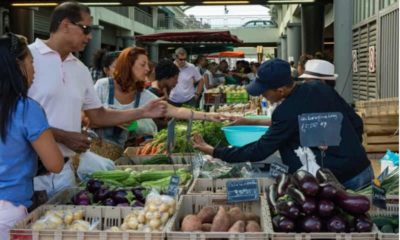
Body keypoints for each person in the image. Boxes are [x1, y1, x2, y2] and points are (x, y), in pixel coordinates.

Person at [28, 1, 167, 198]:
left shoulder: (80, 69)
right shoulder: (27, 59)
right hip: (28, 174)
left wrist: (143, 111)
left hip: (65, 173)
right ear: (65, 24)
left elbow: (98, 115)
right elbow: (11, 117)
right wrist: (63, 136)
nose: (90, 36)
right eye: (86, 29)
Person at [193, 58, 372, 190]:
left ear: (280, 90)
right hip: (362, 170)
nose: (262, 96)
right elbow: (356, 123)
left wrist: (215, 151)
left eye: (264, 92)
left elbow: (259, 150)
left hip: (337, 184)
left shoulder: (285, 111)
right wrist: (346, 151)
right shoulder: (320, 89)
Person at [0, 33, 64, 238]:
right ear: (17, 65)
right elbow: (55, 164)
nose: (34, 70)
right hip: (9, 211)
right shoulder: (27, 110)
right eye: (31, 62)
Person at [94, 47, 159, 147]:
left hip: (116, 152)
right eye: (143, 65)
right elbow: (86, 118)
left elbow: (150, 128)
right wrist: (115, 118)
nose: (148, 69)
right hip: (92, 149)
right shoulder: (102, 86)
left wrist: (132, 125)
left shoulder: (144, 95)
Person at [298, 59, 363, 141]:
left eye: (309, 81)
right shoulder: (333, 99)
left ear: (322, 82)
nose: (306, 84)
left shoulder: (325, 102)